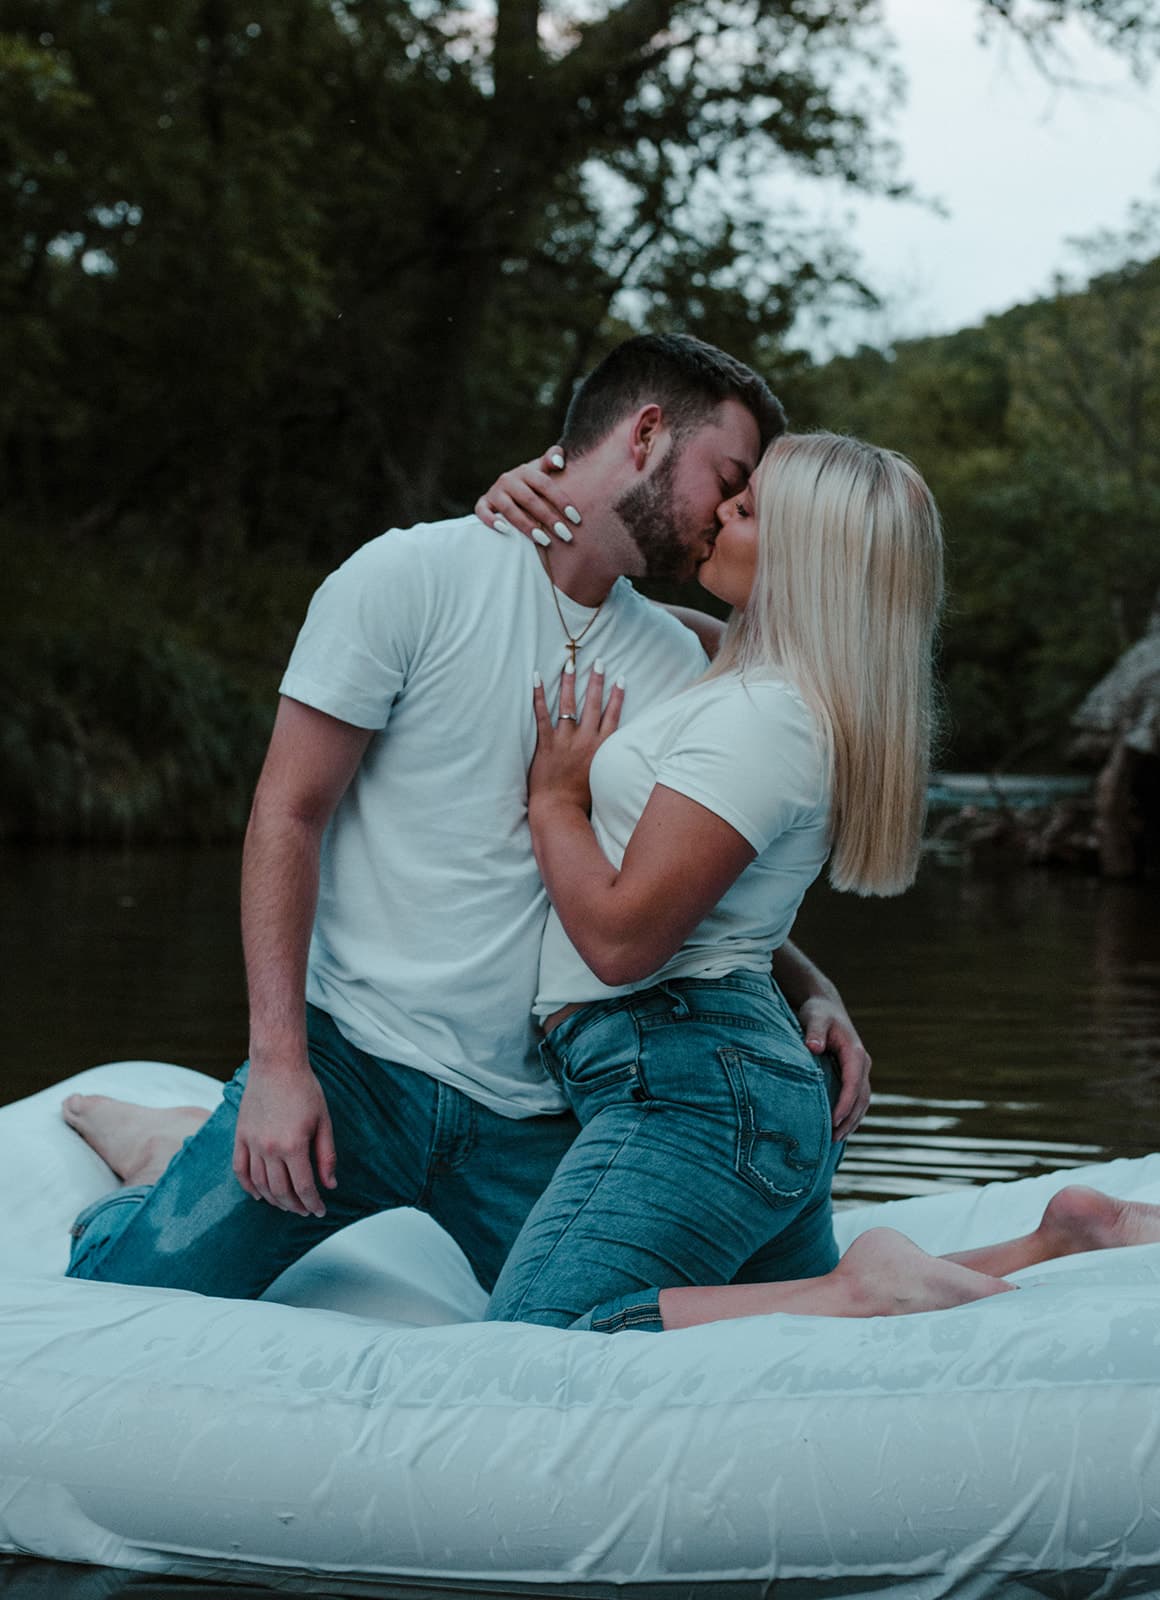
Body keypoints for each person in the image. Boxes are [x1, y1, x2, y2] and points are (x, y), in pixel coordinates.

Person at [61, 334, 871, 1301]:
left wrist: (811, 989)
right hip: (357, 1063)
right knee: (129, 1288)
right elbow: (287, 813)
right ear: (648, 434)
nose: (727, 517)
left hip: (536, 1108)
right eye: (727, 480)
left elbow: (696, 880)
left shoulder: (690, 663)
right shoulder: (412, 577)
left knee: (601, 1318)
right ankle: (159, 1160)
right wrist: (279, 1064)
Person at [476, 431, 1160, 1332]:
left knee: (540, 1332)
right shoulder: (756, 676)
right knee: (769, 1320)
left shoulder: (764, 722)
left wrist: (556, 801)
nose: (720, 510)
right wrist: (536, 501)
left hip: (685, 1074)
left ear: (807, 561)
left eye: (748, 508)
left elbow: (620, 943)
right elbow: (590, 600)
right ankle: (1056, 1243)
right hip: (729, 1067)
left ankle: (861, 1287)